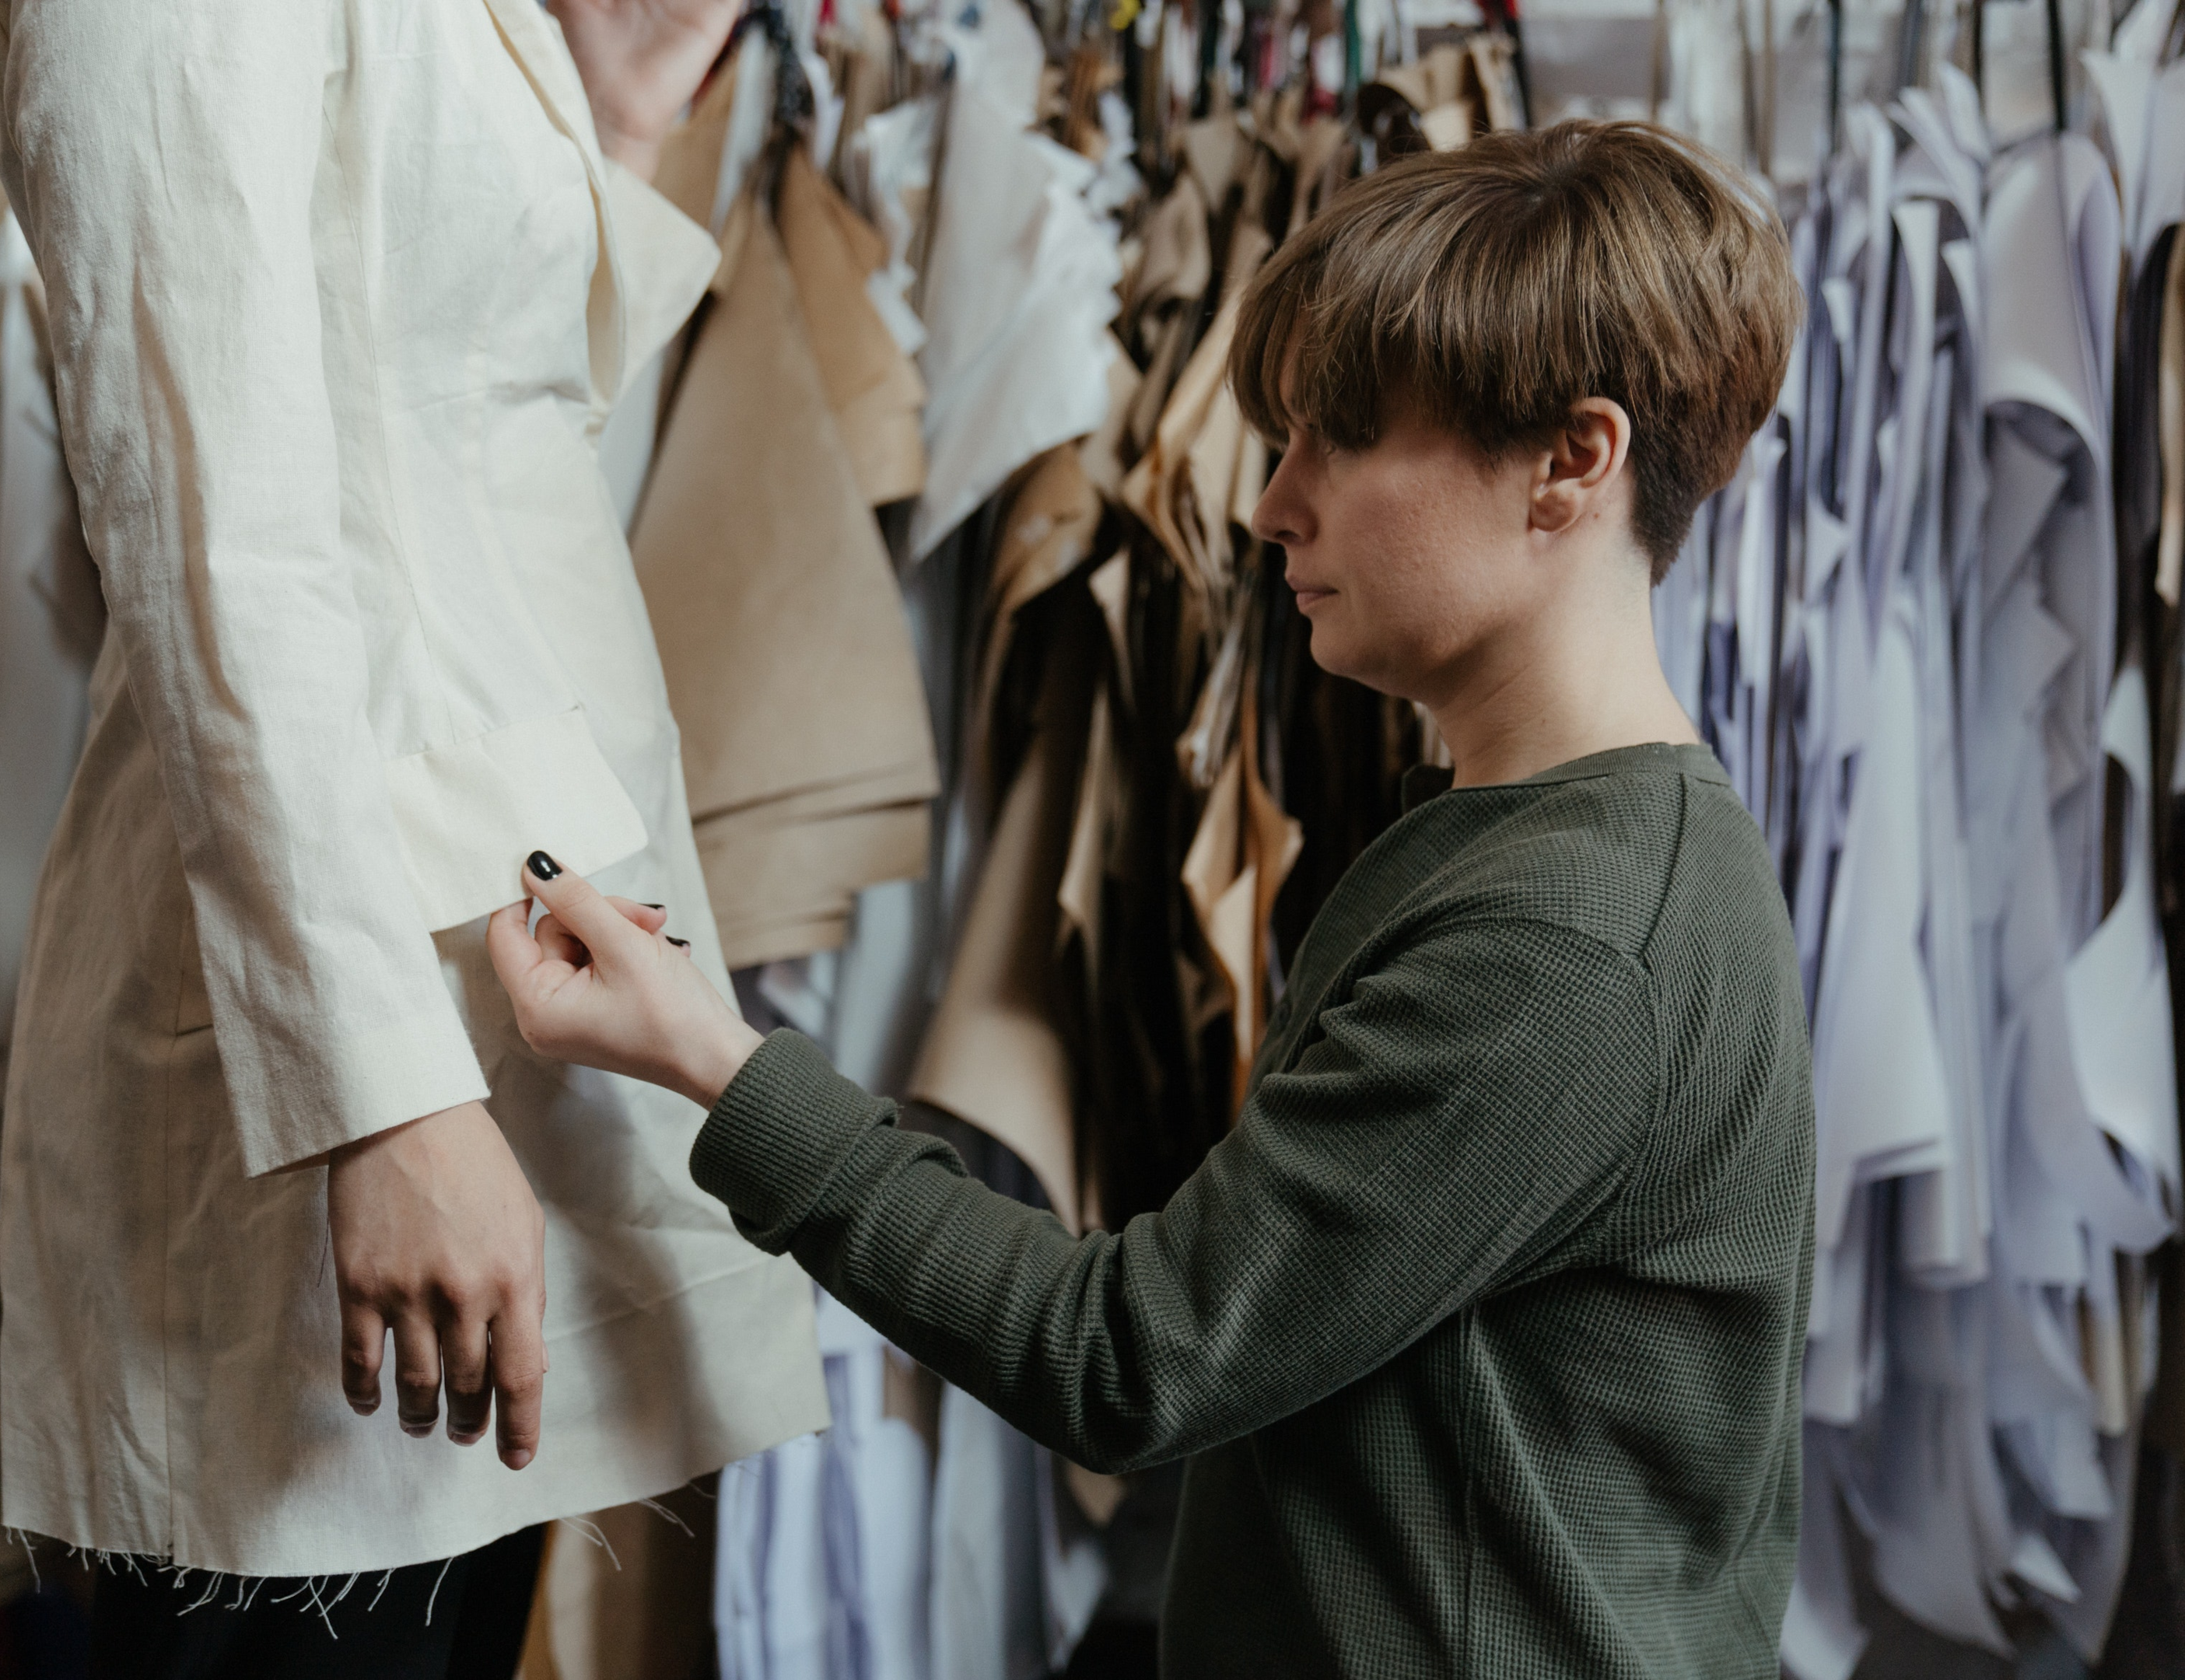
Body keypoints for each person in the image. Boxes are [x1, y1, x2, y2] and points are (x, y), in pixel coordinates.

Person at [490, 121, 1817, 1678]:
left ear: (1572, 462)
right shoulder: (1535, 848)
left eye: (1344, 435)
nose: (1269, 505)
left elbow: (1129, 1357)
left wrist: (714, 1061)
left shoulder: (1564, 938)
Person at [0, 0, 829, 1671]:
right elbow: (210, 528)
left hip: (499, 992)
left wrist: (619, 120)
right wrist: (386, 1101)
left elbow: (472, 442)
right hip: (340, 1036)